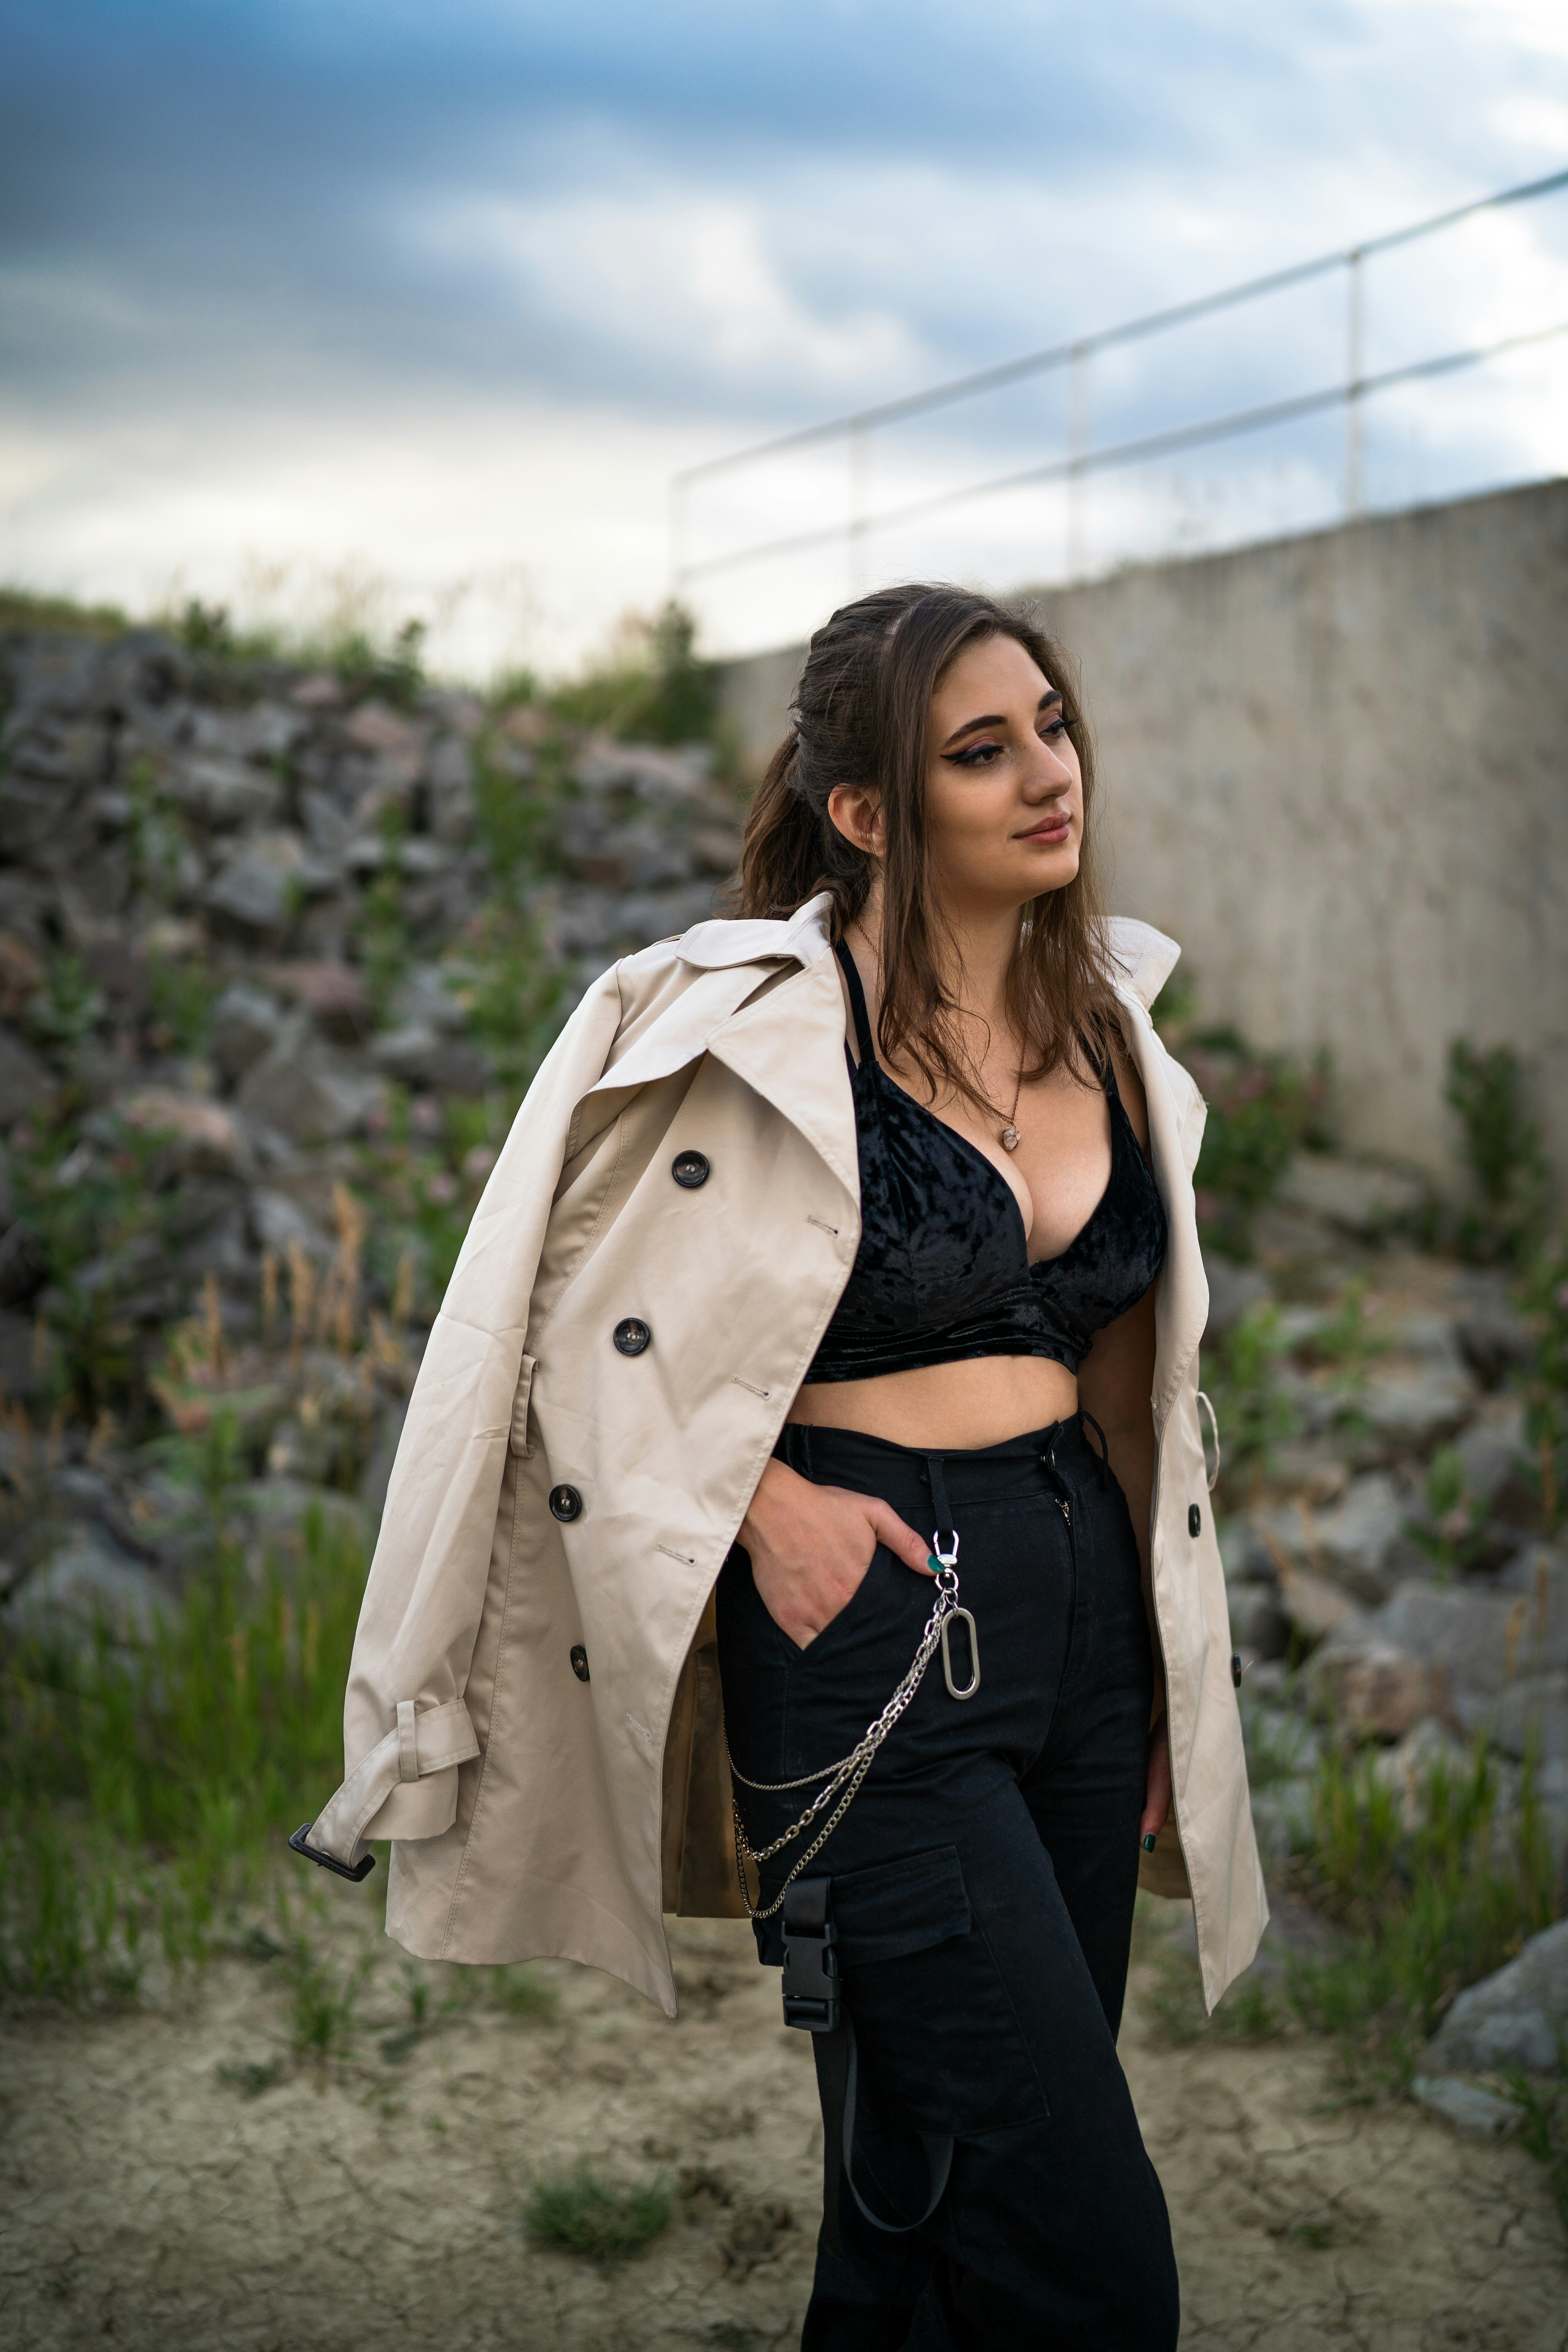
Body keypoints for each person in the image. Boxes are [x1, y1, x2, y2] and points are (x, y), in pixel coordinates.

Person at [296, 583, 1265, 2352]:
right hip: (873, 1622)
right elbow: (547, 1329)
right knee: (1088, 2258)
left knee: (920, 2194)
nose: (1050, 775)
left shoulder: (1111, 1030)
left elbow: (1128, 1388)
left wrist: (1146, 1674)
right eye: (984, 751)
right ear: (870, 813)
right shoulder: (725, 1024)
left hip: (1076, 1611)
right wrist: (763, 1511)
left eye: (1050, 726)